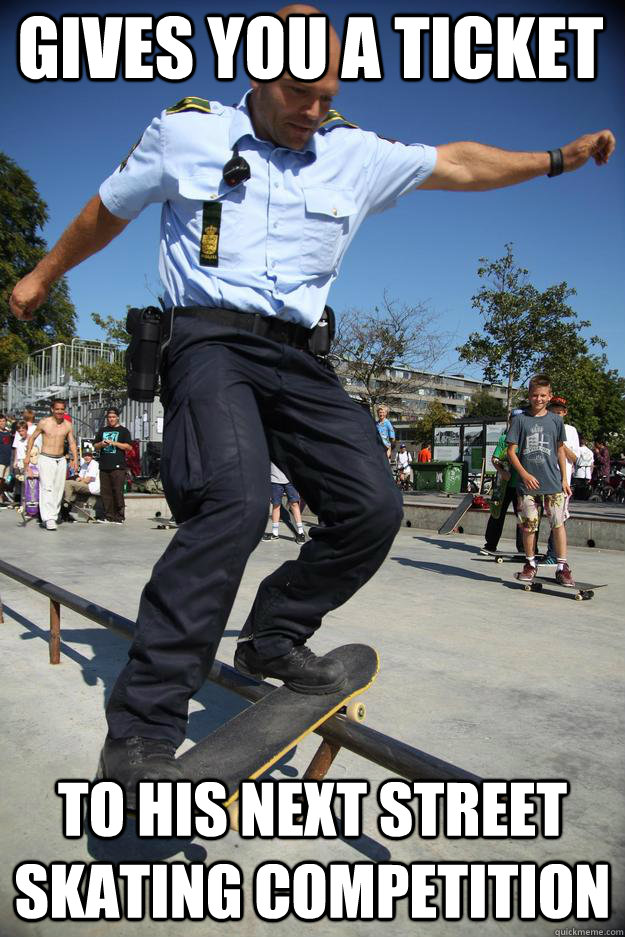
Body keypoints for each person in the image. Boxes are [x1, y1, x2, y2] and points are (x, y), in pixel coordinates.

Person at [9, 2, 614, 794]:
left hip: (300, 358)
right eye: (301, 93)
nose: (315, 111)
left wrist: (554, 159)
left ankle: (274, 634)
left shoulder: (351, 151)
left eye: (329, 94)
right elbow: (104, 211)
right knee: (232, 500)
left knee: (373, 507)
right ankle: (141, 732)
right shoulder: (186, 130)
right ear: (259, 71)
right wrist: (43, 275)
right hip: (208, 343)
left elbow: (459, 162)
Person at [507, 375, 574, 586]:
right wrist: (524, 475)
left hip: (553, 482)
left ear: (549, 396)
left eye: (543, 395)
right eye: (535, 395)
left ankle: (562, 567)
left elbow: (560, 449)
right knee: (529, 526)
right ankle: (530, 563)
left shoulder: (556, 420)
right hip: (527, 485)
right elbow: (511, 452)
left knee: (558, 524)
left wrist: (564, 478)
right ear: (529, 395)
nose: (539, 399)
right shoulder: (520, 420)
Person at [23, 399, 78, 531]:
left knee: (58, 489)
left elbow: (71, 442)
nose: (59, 411)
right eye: (57, 409)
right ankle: (48, 518)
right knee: (47, 488)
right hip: (46, 458)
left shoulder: (68, 425)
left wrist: (75, 458)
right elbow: (32, 438)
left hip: (61, 459)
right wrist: (27, 456)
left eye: (62, 409)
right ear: (52, 410)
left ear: (64, 410)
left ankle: (53, 514)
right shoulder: (44, 422)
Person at [482, 409, 525, 555]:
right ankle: (490, 544)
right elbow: (494, 459)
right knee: (497, 513)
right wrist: (502, 471)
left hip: (521, 485)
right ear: (510, 421)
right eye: (514, 420)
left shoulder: (526, 438)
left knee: (523, 516)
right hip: (504, 485)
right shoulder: (504, 439)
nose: (516, 423)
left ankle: (524, 548)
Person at [543, 397, 580, 564]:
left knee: (558, 518)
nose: (556, 415)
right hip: (544, 476)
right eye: (553, 412)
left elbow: (574, 457)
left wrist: (560, 442)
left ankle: (554, 554)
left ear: (565, 413)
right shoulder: (544, 426)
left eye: (559, 412)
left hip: (561, 480)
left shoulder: (570, 431)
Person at [93, 408, 132, 524]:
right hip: (104, 465)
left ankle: (119, 517)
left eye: (113, 417)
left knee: (117, 491)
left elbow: (128, 447)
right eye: (109, 417)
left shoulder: (124, 431)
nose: (111, 419)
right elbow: (95, 446)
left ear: (118, 417)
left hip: (118, 466)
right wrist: (101, 444)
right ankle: (108, 516)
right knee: (106, 492)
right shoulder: (102, 430)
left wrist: (114, 443)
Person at [263, 462, 306, 543]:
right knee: (276, 506)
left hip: (290, 480)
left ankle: (301, 533)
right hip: (274, 480)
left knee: (294, 504)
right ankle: (275, 534)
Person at [63, 450, 101, 516]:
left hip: (92, 487)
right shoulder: (84, 464)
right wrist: (79, 480)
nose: (86, 457)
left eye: (88, 455)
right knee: (67, 483)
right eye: (85, 456)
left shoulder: (94, 464)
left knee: (68, 483)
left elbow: (88, 480)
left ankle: (66, 503)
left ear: (92, 456)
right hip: (86, 485)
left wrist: (78, 481)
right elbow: (80, 477)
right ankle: (66, 505)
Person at [0, 414, 13, 507]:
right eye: (0, 421)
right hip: (0, 461)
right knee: (0, 480)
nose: (2, 423)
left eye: (3, 421)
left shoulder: (8, 433)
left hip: (7, 460)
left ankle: (1, 496)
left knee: (5, 480)